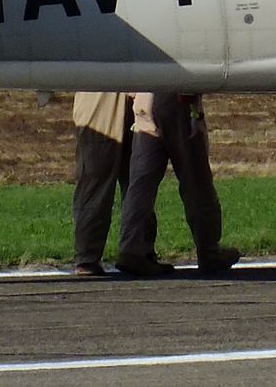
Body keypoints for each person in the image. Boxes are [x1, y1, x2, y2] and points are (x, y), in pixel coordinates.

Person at [116, 92, 240, 276]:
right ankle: (209, 251)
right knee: (196, 178)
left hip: (144, 101)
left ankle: (131, 248)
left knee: (141, 183)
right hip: (177, 99)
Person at [70, 91, 133, 277]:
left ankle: (138, 249)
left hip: (137, 89)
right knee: (96, 176)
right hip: (100, 93)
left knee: (138, 179)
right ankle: (87, 255)